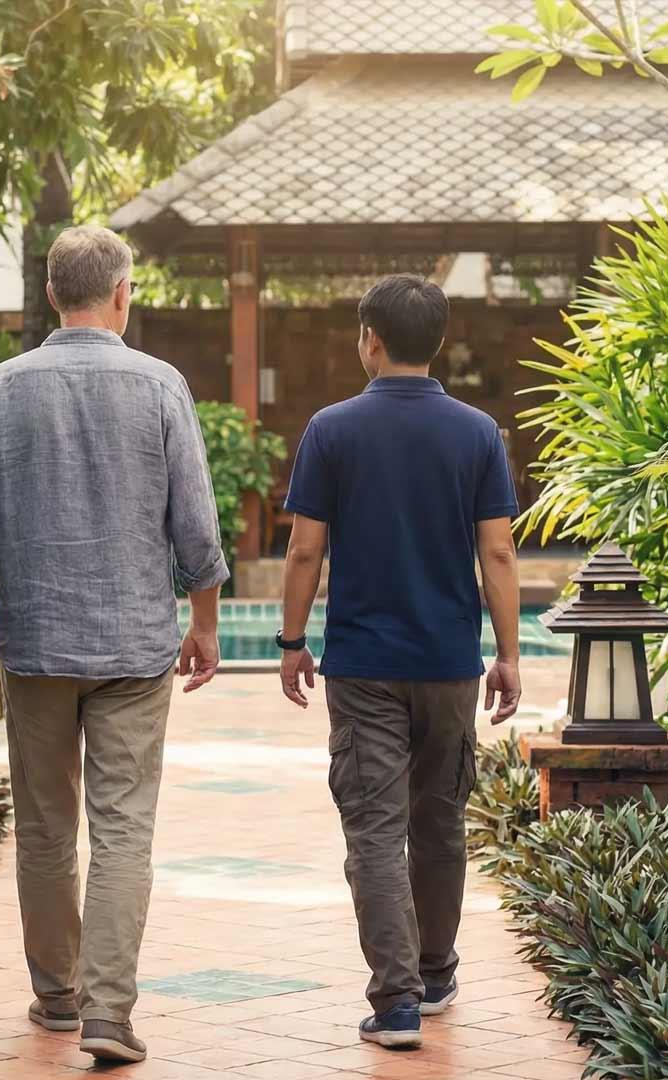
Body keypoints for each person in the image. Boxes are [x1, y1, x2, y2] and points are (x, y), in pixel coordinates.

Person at [0, 224, 228, 1064]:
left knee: (42, 827)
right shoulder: (161, 386)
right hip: (135, 648)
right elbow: (197, 525)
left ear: (50, 296)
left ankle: (57, 996)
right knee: (123, 830)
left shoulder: (3, 388)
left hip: (33, 644)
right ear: (122, 294)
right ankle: (109, 1013)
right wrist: (205, 622)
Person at [274, 273, 523, 1050]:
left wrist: (289, 643)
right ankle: (437, 972)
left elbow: (305, 546)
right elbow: (500, 553)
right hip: (449, 663)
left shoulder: (331, 428)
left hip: (364, 666)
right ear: (438, 342)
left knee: (375, 832)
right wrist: (509, 654)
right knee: (440, 819)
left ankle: (398, 1004)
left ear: (369, 340)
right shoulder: (478, 432)